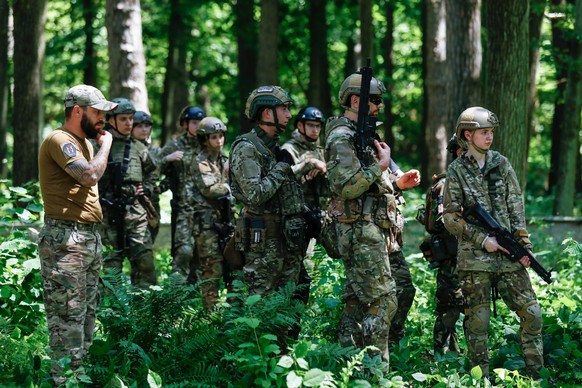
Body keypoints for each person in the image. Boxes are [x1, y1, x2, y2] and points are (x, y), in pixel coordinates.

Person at [324, 73, 420, 364]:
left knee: (358, 300)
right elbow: (348, 186)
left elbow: (371, 184)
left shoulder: (362, 135)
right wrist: (379, 166)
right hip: (359, 232)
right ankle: (375, 372)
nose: (380, 106)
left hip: (376, 230)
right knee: (382, 301)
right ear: (356, 100)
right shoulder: (342, 137)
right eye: (375, 100)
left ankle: (347, 360)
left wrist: (397, 182)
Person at [443, 106, 544, 379]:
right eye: (483, 132)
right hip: (475, 258)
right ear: (467, 135)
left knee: (532, 312)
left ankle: (536, 375)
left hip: (509, 255)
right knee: (478, 321)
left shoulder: (502, 163)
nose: (489, 138)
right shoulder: (456, 170)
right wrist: (481, 239)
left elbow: (516, 208)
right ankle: (480, 378)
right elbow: (449, 217)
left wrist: (525, 248)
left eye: (491, 133)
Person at [38, 84, 117, 384]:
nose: (102, 120)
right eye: (97, 112)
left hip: (85, 238)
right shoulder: (61, 140)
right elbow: (89, 175)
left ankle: (77, 378)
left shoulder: (83, 142)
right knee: (66, 318)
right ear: (77, 111)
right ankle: (64, 380)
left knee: (85, 316)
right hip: (65, 241)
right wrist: (106, 144)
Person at [229, 86, 307, 344]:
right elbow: (255, 195)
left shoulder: (274, 148)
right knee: (260, 309)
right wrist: (283, 167)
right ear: (266, 112)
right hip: (263, 245)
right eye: (283, 109)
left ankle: (283, 363)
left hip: (286, 241)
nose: (288, 115)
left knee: (285, 309)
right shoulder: (247, 147)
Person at [99, 98, 158, 287]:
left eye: (131, 119)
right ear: (111, 120)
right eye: (123, 119)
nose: (129, 123)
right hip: (108, 214)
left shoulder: (139, 147)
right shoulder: (98, 145)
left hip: (136, 213)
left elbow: (153, 171)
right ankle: (112, 313)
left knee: (145, 263)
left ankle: (144, 311)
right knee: (111, 267)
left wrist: (146, 188)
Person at [281, 106, 328, 339]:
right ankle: (285, 329)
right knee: (293, 275)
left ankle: (294, 328)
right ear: (299, 125)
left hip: (316, 218)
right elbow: (283, 176)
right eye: (311, 125)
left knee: (304, 276)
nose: (315, 129)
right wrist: (309, 164)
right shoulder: (289, 149)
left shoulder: (321, 149)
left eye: (318, 126)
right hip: (294, 220)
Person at [417, 135, 465, 354]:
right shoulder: (446, 185)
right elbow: (441, 221)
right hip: (452, 257)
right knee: (449, 308)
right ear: (457, 152)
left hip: (469, 255)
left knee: (467, 307)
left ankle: (455, 352)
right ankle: (441, 355)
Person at [158, 105, 206, 282]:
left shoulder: (209, 144)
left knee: (203, 256)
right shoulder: (175, 145)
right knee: (184, 252)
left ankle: (197, 300)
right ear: (185, 124)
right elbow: (153, 167)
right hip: (184, 210)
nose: (198, 126)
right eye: (194, 123)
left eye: (201, 123)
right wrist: (167, 159)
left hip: (206, 211)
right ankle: (174, 298)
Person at [190, 116, 231, 309]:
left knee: (233, 266)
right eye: (214, 137)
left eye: (221, 136)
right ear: (204, 140)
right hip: (207, 224)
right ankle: (210, 314)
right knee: (211, 270)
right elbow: (210, 189)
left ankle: (234, 312)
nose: (219, 141)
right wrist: (231, 186)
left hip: (227, 221)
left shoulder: (226, 159)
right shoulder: (199, 161)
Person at [131, 110, 161, 242]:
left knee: (150, 238)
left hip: (151, 201)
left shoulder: (156, 151)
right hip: (131, 200)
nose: (144, 129)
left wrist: (161, 188)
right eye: (139, 126)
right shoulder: (125, 149)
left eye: (147, 126)